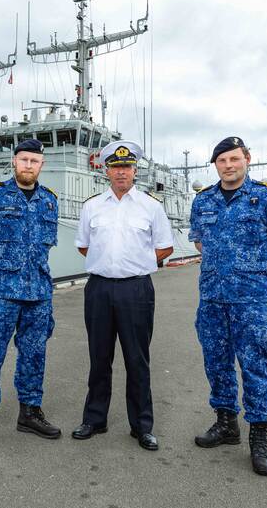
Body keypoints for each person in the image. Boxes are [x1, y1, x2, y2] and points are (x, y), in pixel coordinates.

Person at [189, 136, 267, 476]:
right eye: (222, 161)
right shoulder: (203, 201)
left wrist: (254, 270)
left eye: (234, 159)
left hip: (252, 301)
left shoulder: (266, 198)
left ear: (247, 159)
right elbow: (200, 242)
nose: (229, 166)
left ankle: (260, 436)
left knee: (255, 368)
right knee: (217, 364)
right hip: (212, 300)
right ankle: (226, 424)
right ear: (216, 165)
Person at [71, 140, 174, 450]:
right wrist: (109, 264)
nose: (121, 172)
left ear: (135, 170)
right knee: (99, 357)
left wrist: (136, 265)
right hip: (99, 288)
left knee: (137, 359)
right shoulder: (92, 206)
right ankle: (94, 419)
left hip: (137, 289)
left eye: (126, 167)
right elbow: (83, 245)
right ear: (107, 171)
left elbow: (165, 246)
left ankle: (142, 426)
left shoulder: (151, 206)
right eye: (115, 167)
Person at [0, 138, 61, 450]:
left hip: (39, 293)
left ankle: (29, 413)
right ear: (14, 163)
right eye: (23, 160)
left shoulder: (49, 201)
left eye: (34, 160)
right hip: (0, 293)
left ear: (41, 165)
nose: (28, 165)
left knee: (35, 355)